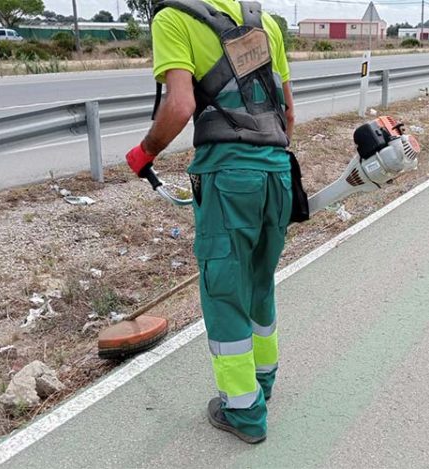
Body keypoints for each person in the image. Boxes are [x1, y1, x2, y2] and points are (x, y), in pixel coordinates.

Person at [124, 0, 295, 444]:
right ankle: (264, 381)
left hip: (229, 178)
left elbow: (180, 106)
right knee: (260, 280)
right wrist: (266, 164)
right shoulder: (265, 21)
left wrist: (146, 152)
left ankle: (243, 412)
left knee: (224, 291)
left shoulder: (173, 18)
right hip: (278, 170)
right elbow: (286, 111)